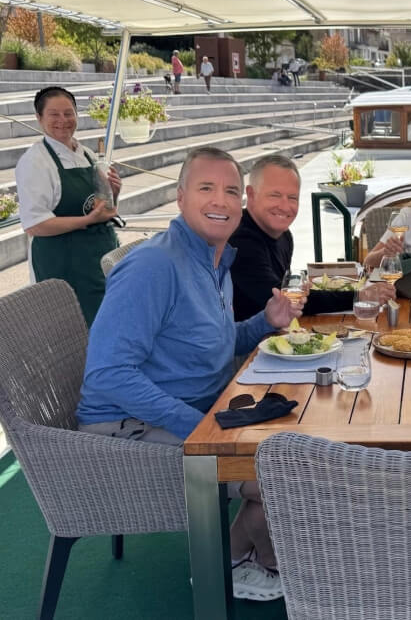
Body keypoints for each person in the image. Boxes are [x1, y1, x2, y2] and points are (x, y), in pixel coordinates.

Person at [77, 146, 302, 601]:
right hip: (129, 428)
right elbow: (108, 374)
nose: (220, 201)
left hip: (196, 411)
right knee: (288, 473)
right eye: (206, 188)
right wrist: (198, 427)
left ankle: (247, 553)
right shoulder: (154, 265)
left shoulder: (213, 258)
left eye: (230, 191)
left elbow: (214, 343)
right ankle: (233, 561)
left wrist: (265, 322)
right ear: (180, 197)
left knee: (301, 440)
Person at [230, 154, 395, 321]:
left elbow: (289, 293)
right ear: (250, 194)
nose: (285, 206)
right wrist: (359, 296)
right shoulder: (240, 241)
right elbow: (283, 300)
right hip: (249, 344)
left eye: (292, 197)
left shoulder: (284, 236)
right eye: (275, 195)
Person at [14, 86, 120, 327]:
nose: (63, 121)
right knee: (77, 333)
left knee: (109, 328)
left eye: (68, 113)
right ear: (39, 118)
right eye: (54, 115)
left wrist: (113, 193)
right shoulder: (35, 162)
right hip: (64, 266)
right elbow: (36, 225)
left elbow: (102, 208)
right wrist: (87, 221)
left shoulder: (87, 154)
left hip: (98, 259)